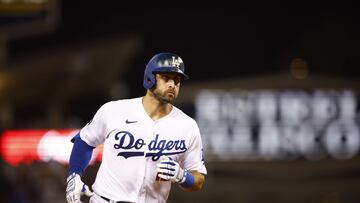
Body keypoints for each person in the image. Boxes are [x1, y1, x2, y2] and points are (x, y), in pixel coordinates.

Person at [66, 52, 207, 203]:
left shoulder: (187, 126)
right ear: (150, 78)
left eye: (177, 80)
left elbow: (198, 179)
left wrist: (183, 176)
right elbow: (84, 140)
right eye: (166, 78)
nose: (172, 84)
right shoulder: (114, 110)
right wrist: (74, 175)